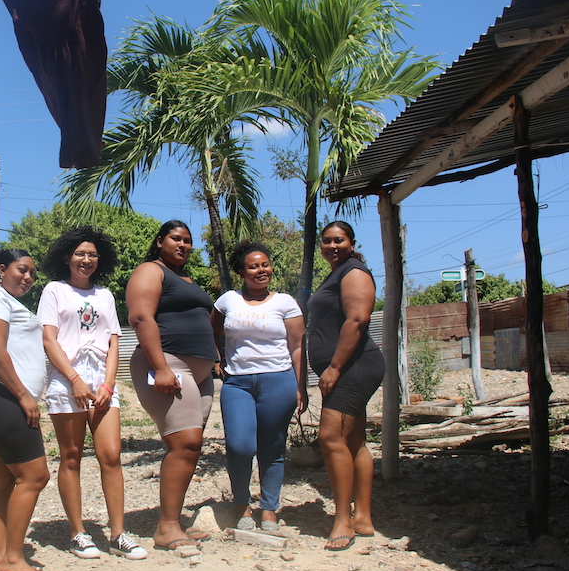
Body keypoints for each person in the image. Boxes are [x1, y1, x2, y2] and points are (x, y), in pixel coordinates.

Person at [37, 227, 148, 561]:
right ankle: (78, 533)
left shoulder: (105, 296)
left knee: (111, 456)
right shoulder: (54, 291)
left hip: (100, 381)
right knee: (71, 456)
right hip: (66, 379)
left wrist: (108, 384)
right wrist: (73, 379)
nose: (86, 260)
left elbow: (114, 341)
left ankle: (118, 533)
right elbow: (48, 339)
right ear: (67, 257)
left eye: (92, 255)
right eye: (80, 254)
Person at [126, 220, 217, 551]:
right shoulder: (151, 270)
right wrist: (160, 367)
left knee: (186, 446)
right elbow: (141, 317)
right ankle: (166, 527)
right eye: (176, 239)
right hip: (166, 364)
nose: (183, 245)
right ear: (161, 241)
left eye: (188, 241)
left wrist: (214, 357)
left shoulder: (187, 279)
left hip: (200, 372)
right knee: (187, 443)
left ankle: (172, 518)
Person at [210, 241, 307, 532]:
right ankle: (241, 503)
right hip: (237, 383)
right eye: (253, 266)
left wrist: (301, 386)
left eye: (264, 264)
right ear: (242, 271)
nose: (260, 270)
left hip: (278, 380)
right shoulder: (228, 300)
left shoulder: (286, 302)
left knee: (272, 447)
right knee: (240, 446)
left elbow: (298, 345)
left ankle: (268, 508)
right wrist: (218, 359)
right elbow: (213, 328)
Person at [0, 247, 50, 571]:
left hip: (2, 398)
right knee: (34, 477)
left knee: (3, 481)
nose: (28, 278)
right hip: (1, 397)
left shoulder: (9, 303)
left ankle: (1, 556)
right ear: (2, 270)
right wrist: (23, 396)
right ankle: (15, 557)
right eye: (22, 270)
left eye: (32, 273)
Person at [306, 221, 386, 552]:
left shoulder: (354, 272)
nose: (332, 245)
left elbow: (357, 319)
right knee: (353, 440)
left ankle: (343, 521)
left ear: (352, 243)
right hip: (346, 367)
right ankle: (363, 517)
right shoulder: (337, 273)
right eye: (326, 241)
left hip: (353, 366)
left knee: (330, 437)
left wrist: (335, 366)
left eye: (339, 240)